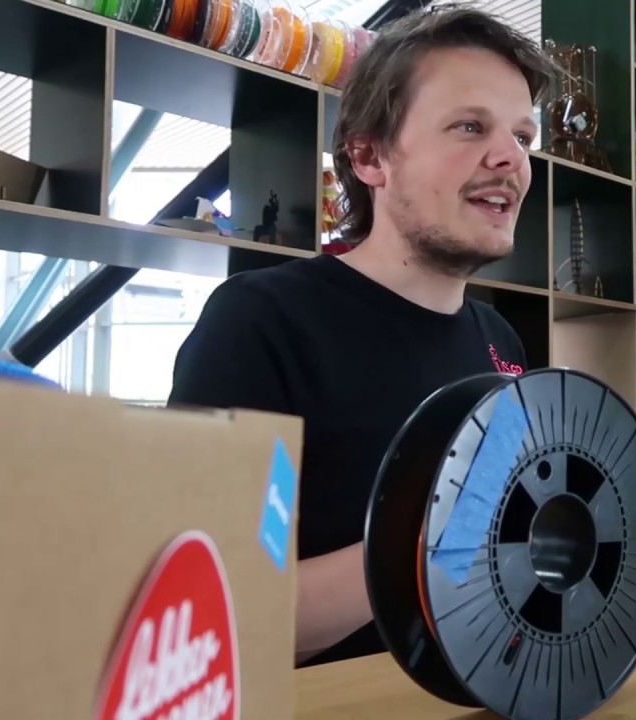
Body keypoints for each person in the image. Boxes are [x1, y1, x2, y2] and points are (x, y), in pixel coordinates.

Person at [167, 6, 558, 667]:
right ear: (369, 156)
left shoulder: (501, 343)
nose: (510, 159)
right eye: (469, 127)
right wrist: (435, 541)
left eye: (522, 136)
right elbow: (215, 610)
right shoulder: (260, 322)